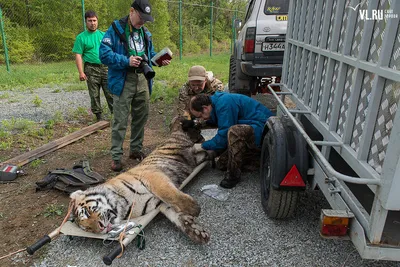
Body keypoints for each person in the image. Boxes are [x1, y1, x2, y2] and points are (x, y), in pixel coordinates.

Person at [99, 0, 171, 172]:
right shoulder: (116, 29)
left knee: (141, 117)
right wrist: (126, 61)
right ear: (132, 11)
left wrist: (159, 60)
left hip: (143, 80)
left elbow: (150, 54)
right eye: (141, 17)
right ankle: (116, 157)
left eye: (146, 19)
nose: (143, 22)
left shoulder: (145, 33)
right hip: (123, 79)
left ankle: (136, 150)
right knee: (120, 120)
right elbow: (104, 54)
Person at [189, 92, 274, 189]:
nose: (202, 119)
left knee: (234, 132)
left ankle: (234, 176)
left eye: (200, 116)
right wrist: (194, 124)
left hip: (262, 129)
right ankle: (255, 158)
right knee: (222, 164)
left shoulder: (224, 103)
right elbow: (218, 120)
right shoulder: (215, 104)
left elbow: (223, 137)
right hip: (251, 125)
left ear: (205, 108)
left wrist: (202, 146)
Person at [72, 10, 113, 122]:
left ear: (97, 21)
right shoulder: (81, 38)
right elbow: (78, 55)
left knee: (110, 92)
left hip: (105, 67)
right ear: (86, 22)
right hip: (91, 68)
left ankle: (116, 114)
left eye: (94, 20)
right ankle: (99, 117)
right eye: (90, 21)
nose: (92, 23)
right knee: (94, 94)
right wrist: (81, 72)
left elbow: (111, 51)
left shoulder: (104, 35)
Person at [177, 65, 224, 142]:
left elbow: (219, 109)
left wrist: (199, 121)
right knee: (177, 122)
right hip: (194, 115)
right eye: (193, 85)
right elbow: (183, 109)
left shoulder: (216, 86)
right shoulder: (184, 90)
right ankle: (193, 140)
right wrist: (187, 120)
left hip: (212, 115)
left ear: (205, 80)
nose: (196, 88)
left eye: (199, 85)